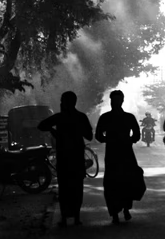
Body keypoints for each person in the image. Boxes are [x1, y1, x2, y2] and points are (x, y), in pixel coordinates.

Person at [38, 91, 93, 227]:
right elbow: (89, 136)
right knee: (77, 188)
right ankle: (76, 217)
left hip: (64, 157)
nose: (61, 103)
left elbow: (41, 125)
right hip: (77, 157)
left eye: (63, 101)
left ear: (65, 102)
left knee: (65, 189)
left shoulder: (59, 117)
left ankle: (64, 218)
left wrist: (53, 131)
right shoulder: (81, 117)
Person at [95, 90, 142, 224]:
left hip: (115, 154)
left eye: (116, 100)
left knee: (114, 183)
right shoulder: (128, 117)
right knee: (123, 181)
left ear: (121, 101)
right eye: (114, 101)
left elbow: (99, 136)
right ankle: (123, 210)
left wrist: (109, 140)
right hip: (123, 154)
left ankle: (117, 212)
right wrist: (127, 140)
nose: (115, 103)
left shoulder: (106, 118)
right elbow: (136, 135)